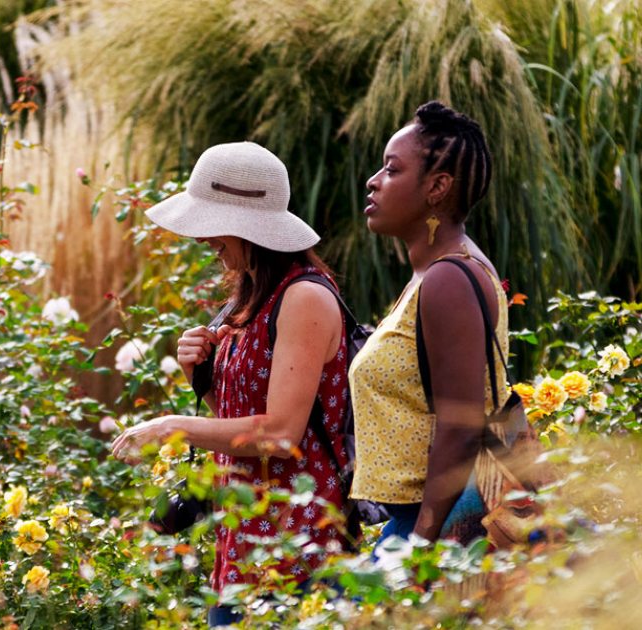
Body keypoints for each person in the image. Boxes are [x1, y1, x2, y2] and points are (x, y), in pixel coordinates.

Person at [109, 142, 351, 626]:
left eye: (211, 225)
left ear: (247, 224)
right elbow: (243, 428)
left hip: (299, 555)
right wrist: (200, 375)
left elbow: (281, 435)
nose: (204, 241)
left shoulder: (302, 297)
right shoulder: (253, 297)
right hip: (246, 550)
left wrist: (171, 426)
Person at [348, 101, 509, 545]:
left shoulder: (449, 279)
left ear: (437, 186)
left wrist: (419, 546)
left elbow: (460, 425)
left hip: (441, 524)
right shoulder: (433, 275)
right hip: (424, 519)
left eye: (392, 170)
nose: (374, 182)